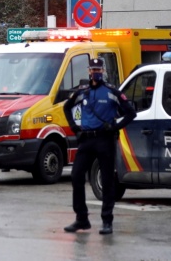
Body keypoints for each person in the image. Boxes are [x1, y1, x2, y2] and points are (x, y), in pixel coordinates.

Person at [62, 58, 136, 235]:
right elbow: (67, 107)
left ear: (103, 71)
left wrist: (115, 126)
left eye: (98, 69)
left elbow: (130, 113)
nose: (96, 71)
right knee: (76, 175)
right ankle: (81, 219)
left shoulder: (111, 92)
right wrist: (74, 127)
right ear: (88, 71)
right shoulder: (83, 91)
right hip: (86, 140)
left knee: (108, 180)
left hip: (105, 140)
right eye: (93, 68)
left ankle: (107, 221)